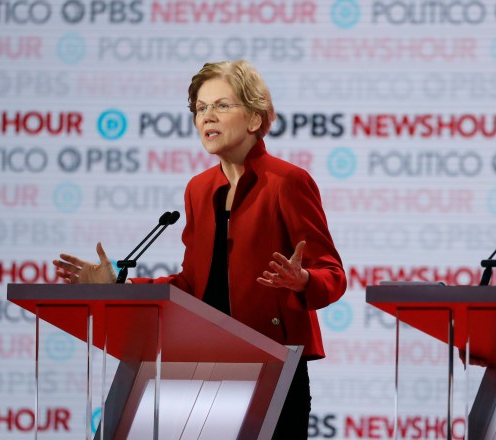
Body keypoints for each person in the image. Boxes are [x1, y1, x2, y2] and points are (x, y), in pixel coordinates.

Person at [52, 60, 347, 439]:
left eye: (222, 105)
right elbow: (192, 285)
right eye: (200, 108)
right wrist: (118, 289)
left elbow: (333, 275)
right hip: (206, 363)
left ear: (255, 119)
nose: (207, 116)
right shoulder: (198, 189)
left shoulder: (287, 182)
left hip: (274, 366)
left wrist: (302, 279)